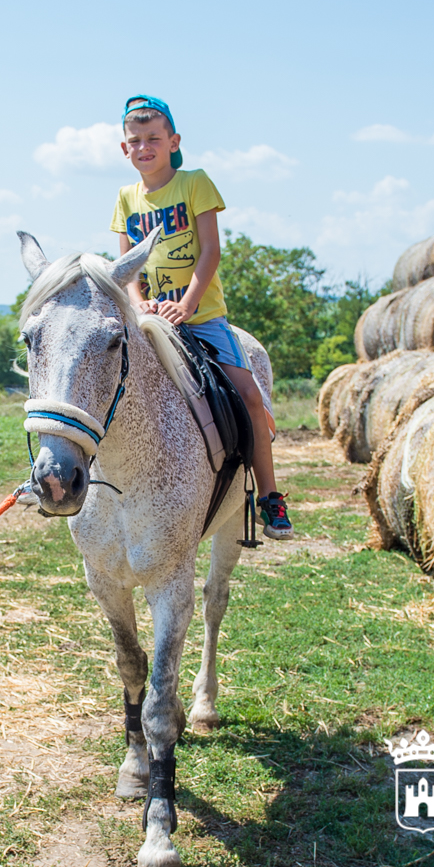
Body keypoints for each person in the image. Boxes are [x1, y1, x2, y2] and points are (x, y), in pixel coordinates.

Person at [109, 94, 293, 539]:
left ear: (173, 141)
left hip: (201, 316)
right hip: (152, 318)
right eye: (135, 141)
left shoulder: (195, 183)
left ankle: (269, 495)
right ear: (124, 149)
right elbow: (126, 264)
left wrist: (187, 304)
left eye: (154, 138)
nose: (144, 147)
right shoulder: (126, 198)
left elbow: (210, 249)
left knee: (249, 395)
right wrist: (137, 303)